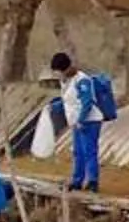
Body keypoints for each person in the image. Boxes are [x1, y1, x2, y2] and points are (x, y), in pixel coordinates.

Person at [49, 50, 117, 191]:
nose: (56, 74)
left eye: (57, 71)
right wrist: (54, 107)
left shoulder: (82, 80)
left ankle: (92, 180)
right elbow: (69, 101)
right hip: (76, 122)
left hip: (89, 121)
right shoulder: (66, 81)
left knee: (89, 151)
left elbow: (87, 102)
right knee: (78, 152)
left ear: (63, 69)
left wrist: (81, 120)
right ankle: (77, 180)